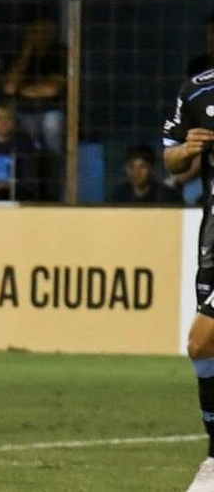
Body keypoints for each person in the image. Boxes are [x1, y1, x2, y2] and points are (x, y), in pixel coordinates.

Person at [163, 67, 214, 492]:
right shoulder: (198, 90)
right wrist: (188, 149)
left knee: (202, 341)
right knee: (203, 345)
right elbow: (172, 161)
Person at [2, 4, 65, 155]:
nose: (41, 36)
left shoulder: (61, 52)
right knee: (5, 122)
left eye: (45, 31)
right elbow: (10, 87)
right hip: (22, 110)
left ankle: (56, 165)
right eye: (36, 32)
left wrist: (22, 89)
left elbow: (51, 89)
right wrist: (27, 52)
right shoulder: (16, 54)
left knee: (52, 125)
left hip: (51, 109)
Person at [108, 144, 182, 205]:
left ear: (152, 169)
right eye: (131, 166)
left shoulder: (166, 196)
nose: (136, 172)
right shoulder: (117, 196)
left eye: (142, 167)